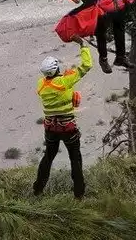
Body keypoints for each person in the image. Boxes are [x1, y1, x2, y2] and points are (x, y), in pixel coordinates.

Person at [33, 43, 92, 199]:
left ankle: (38, 189)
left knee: (48, 157)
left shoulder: (41, 84)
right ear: (56, 70)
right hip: (68, 128)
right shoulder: (64, 82)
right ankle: (79, 194)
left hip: (50, 128)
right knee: (75, 158)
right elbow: (87, 65)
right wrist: (83, 45)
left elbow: (53, 82)